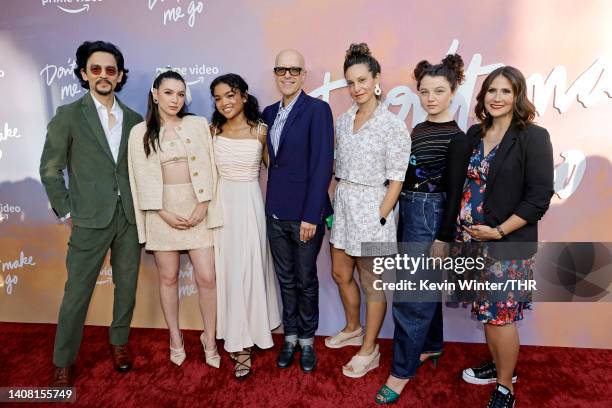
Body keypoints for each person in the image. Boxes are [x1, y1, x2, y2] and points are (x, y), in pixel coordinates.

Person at [40, 40, 143, 386]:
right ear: (84, 74)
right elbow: (50, 169)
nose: (103, 75)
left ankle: (119, 343)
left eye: (110, 70)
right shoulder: (69, 115)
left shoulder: (134, 119)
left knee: (126, 287)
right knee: (77, 293)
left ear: (120, 76)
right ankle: (63, 360)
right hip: (87, 218)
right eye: (95, 69)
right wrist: (67, 209)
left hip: (128, 217)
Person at [455, 66, 553, 408]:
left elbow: (540, 196)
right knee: (488, 312)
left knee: (500, 316)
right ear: (483, 97)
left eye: (505, 91)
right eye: (491, 91)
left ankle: (505, 388)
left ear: (517, 96)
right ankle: (500, 367)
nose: (497, 98)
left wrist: (497, 231)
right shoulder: (472, 134)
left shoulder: (532, 137)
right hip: (470, 243)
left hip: (505, 244)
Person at [375, 54, 467, 404]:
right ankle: (430, 345)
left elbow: (455, 194)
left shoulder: (458, 139)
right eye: (424, 91)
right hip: (407, 211)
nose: (430, 98)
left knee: (412, 297)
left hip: (432, 216)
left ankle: (400, 372)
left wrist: (443, 237)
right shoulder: (417, 130)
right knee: (421, 289)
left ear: (453, 93)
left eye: (439, 91)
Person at [127, 69, 222, 369]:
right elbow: (138, 179)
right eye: (169, 92)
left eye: (181, 94)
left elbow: (211, 165)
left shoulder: (196, 124)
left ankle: (210, 336)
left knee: (207, 277)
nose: (175, 99)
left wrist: (203, 205)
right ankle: (175, 337)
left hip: (197, 207)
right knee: (167, 277)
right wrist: (162, 213)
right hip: (160, 211)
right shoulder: (138, 133)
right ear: (155, 93)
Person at [327, 43, 411, 379]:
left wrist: (380, 216)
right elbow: (338, 168)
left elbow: (397, 180)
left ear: (376, 79)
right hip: (345, 205)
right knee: (339, 273)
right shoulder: (344, 119)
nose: (356, 88)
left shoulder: (392, 125)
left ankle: (370, 349)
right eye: (350, 82)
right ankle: (353, 328)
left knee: (372, 285)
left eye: (362, 80)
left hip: (374, 208)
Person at [262, 49, 334, 373]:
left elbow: (322, 166)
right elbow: (270, 161)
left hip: (305, 215)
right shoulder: (267, 112)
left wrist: (310, 215)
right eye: (281, 69)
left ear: (304, 75)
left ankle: (307, 340)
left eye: (294, 70)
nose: (287, 75)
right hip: (275, 211)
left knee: (306, 280)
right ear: (275, 74)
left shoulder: (318, 110)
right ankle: (289, 337)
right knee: (285, 279)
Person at [210, 73, 281, 380]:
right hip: (222, 206)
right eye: (218, 97)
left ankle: (253, 333)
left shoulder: (261, 130)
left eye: (230, 94)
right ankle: (238, 344)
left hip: (251, 205)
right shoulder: (211, 130)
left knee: (250, 271)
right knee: (229, 273)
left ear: (243, 95)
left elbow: (276, 173)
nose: (224, 102)